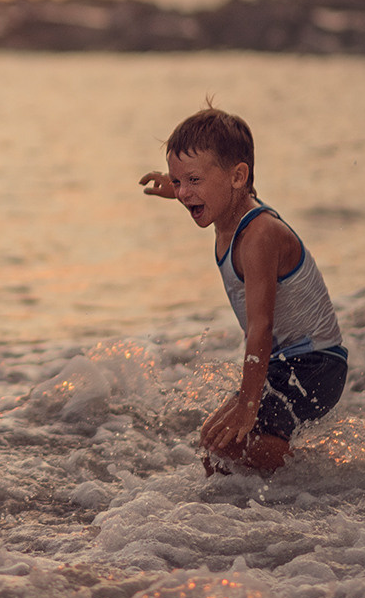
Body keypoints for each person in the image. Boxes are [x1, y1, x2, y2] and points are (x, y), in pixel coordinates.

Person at [140, 105, 348, 473]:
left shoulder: (258, 236)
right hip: (286, 363)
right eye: (178, 182)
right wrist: (175, 188)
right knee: (214, 443)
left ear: (238, 177)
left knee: (225, 452)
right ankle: (278, 489)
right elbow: (207, 189)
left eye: (193, 181)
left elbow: (261, 327)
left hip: (315, 364)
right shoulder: (227, 211)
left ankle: (319, 476)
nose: (185, 193)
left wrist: (249, 405)